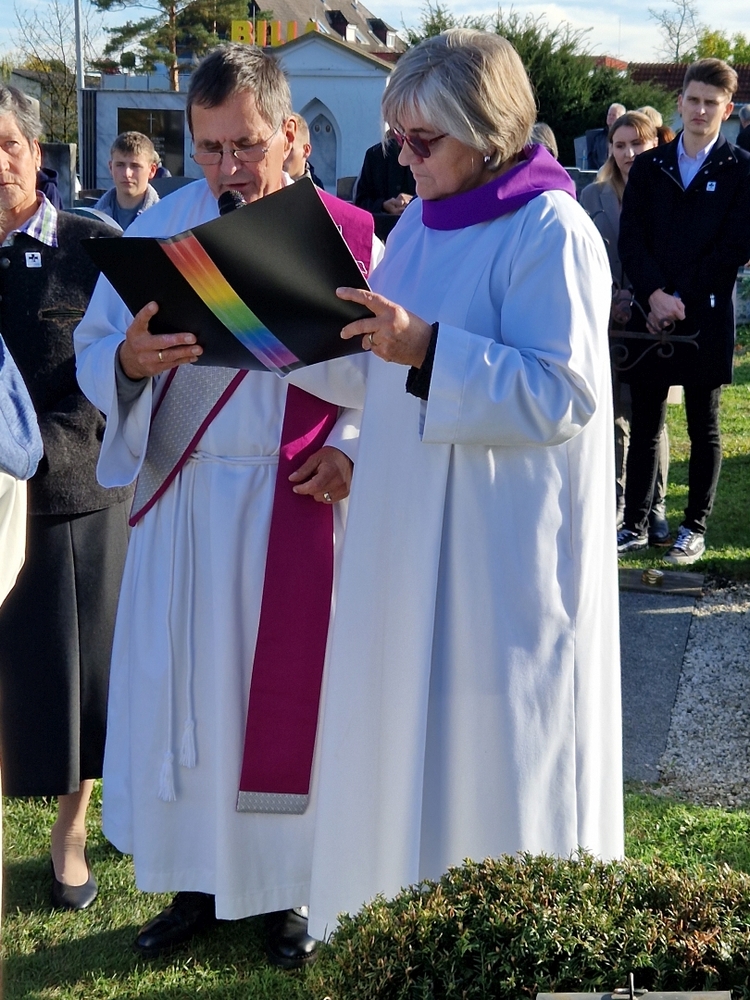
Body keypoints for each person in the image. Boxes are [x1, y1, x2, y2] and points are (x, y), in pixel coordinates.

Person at [305, 28, 623, 939]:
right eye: (396, 138)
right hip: (405, 538)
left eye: (423, 140)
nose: (405, 157)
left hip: (498, 558)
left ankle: (497, 950)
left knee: (489, 761)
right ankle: (397, 940)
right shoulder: (417, 223)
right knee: (399, 743)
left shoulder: (550, 230)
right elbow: (389, 366)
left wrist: (427, 350)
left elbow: (562, 393)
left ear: (487, 132)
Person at [75, 43, 380, 965]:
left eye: (245, 145)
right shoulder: (165, 228)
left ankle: (295, 888)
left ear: (289, 133)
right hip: (187, 499)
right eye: (208, 148)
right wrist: (128, 363)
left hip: (292, 498)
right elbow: (97, 348)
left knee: (285, 701)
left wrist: (351, 450)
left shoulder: (349, 237)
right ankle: (198, 879)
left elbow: (391, 373)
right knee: (193, 699)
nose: (226, 168)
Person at [0, 84, 133, 911]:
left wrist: (33, 456)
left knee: (76, 686)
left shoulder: (92, 246)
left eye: (6, 144)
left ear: (36, 151)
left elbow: (114, 369)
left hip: (71, 492)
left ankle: (71, 832)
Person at [617, 58, 750, 564]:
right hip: (651, 315)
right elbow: (632, 240)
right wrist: (654, 295)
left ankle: (693, 526)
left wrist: (680, 300)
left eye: (710, 103)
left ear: (727, 109)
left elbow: (734, 245)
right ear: (679, 102)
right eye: (692, 100)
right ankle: (634, 524)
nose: (700, 110)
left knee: (703, 425)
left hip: (706, 313)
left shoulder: (741, 169)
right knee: (645, 424)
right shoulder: (650, 166)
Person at [580, 111, 670, 544]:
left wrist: (638, 297)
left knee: (650, 418)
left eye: (638, 143)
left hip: (651, 317)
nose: (629, 153)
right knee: (612, 415)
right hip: (605, 319)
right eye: (620, 145)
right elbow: (583, 256)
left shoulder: (667, 192)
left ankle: (655, 505)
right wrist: (611, 297)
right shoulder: (591, 195)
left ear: (654, 143)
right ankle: (616, 504)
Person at [354, 133, 417, 240]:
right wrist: (382, 205)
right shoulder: (374, 155)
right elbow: (359, 205)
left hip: (417, 234)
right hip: (380, 238)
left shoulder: (427, 156)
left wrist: (414, 202)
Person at [94, 131, 160, 230]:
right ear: (111, 168)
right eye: (120, 165)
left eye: (135, 166)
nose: (127, 174)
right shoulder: (91, 219)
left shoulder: (167, 222)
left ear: (152, 170)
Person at [283, 112, 323, 187]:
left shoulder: (317, 193)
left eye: (289, 149)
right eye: (279, 149)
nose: (282, 156)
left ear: (306, 150)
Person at [586, 102, 626, 170]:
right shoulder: (598, 138)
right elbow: (592, 160)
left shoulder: (627, 137)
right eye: (609, 114)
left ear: (622, 118)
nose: (610, 117)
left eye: (614, 115)